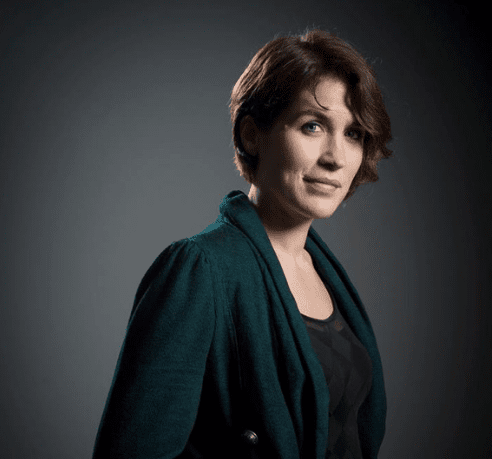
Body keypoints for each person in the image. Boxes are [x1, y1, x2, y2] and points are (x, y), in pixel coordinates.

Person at [92, 29, 392, 459]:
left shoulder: (327, 273)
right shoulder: (200, 269)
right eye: (312, 126)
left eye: (354, 134)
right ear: (252, 135)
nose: (336, 157)